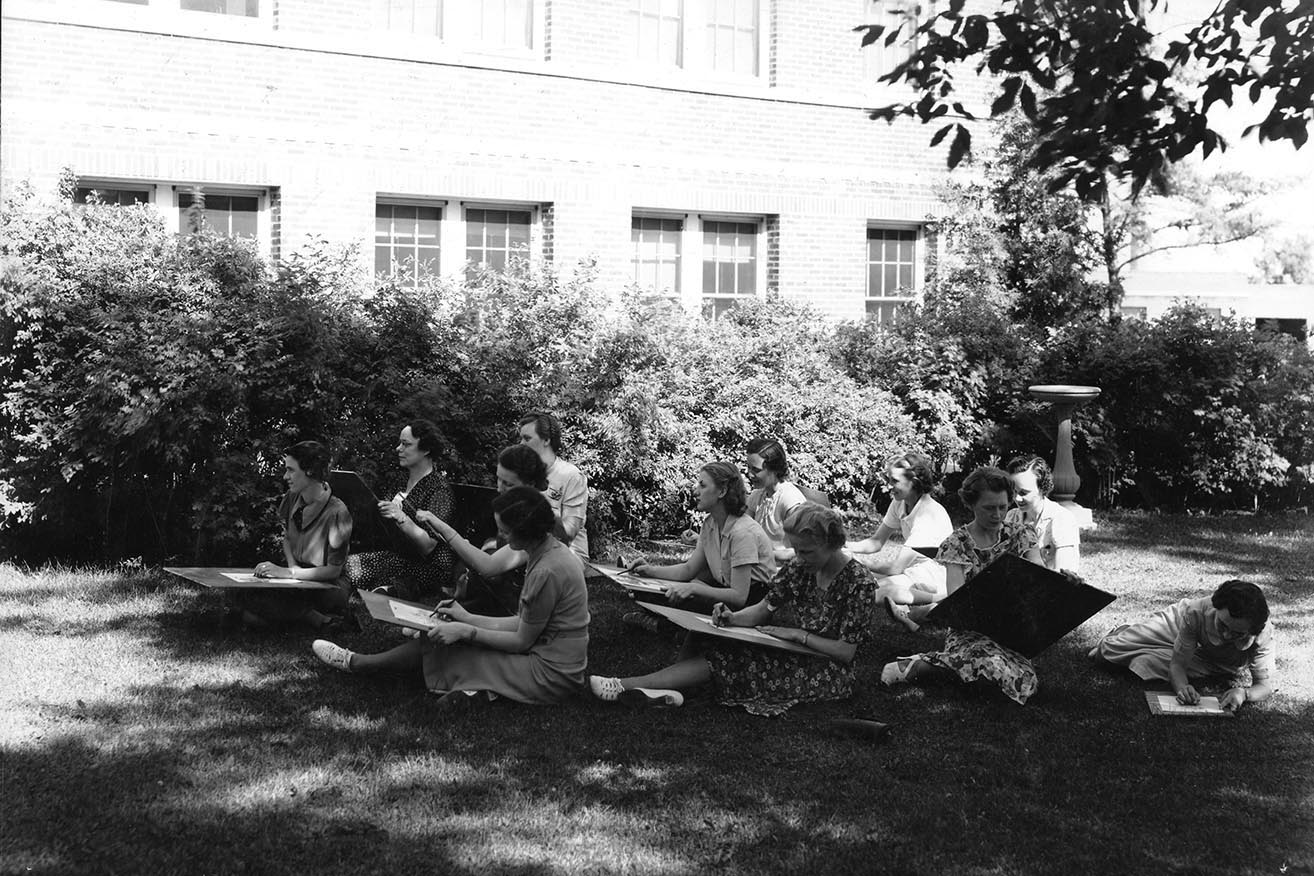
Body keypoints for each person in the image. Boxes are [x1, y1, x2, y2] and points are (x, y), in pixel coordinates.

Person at [589, 503, 877, 715]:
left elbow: (845, 652)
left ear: (833, 544)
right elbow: (764, 608)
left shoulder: (858, 583)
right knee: (707, 635)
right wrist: (732, 618)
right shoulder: (801, 568)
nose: (799, 558)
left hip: (828, 671)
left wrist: (796, 635)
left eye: (807, 551)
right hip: (793, 651)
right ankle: (661, 689)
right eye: (797, 550)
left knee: (732, 661)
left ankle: (624, 686)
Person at [312, 486, 590, 706]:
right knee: (449, 641)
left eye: (504, 531)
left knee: (451, 650)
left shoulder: (547, 570)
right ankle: (476, 692)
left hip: (551, 674)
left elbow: (521, 640)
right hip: (551, 658)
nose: (501, 537)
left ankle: (358, 664)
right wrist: (466, 618)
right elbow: (524, 623)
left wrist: (466, 631)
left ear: (525, 533)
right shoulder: (547, 552)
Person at [880, 466, 1047, 705]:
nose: (998, 514)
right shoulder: (957, 543)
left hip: (1011, 632)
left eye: (1003, 506)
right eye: (989, 508)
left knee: (1025, 682)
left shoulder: (1023, 534)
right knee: (989, 665)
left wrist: (1065, 581)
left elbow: (1039, 574)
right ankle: (921, 666)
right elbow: (959, 603)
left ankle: (947, 668)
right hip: (970, 631)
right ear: (971, 505)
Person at [624, 461, 776, 631]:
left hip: (752, 605)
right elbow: (689, 569)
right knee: (657, 592)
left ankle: (664, 625)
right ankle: (664, 621)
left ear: (722, 491)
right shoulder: (710, 523)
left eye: (702, 486)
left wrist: (694, 588)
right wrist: (650, 571)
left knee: (688, 597)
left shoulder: (742, 532)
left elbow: (739, 596)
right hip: (726, 591)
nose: (695, 491)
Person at [1090, 580, 1276, 711]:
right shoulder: (1195, 611)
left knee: (1147, 662)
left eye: (1238, 633)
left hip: (1212, 662)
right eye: (1223, 625)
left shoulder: (1262, 631)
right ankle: (1123, 631)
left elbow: (1265, 685)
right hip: (1175, 625)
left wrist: (1244, 693)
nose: (1227, 635)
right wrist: (1182, 688)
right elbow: (1178, 665)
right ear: (1215, 608)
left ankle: (1137, 643)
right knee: (1106, 654)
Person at [416, 444, 551, 615]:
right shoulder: (516, 509)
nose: (499, 488)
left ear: (530, 484)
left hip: (522, 613)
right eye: (499, 479)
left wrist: (443, 527)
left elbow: (489, 567)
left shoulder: (536, 520)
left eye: (508, 484)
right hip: (500, 599)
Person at [236, 440, 354, 630]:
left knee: (252, 612)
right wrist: (291, 568)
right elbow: (287, 538)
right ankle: (314, 618)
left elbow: (333, 571)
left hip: (328, 586)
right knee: (247, 601)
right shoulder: (292, 497)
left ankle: (316, 617)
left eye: (291, 470)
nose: (285, 476)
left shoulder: (338, 512)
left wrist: (290, 574)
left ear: (310, 471)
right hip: (298, 578)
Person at [344, 420, 457, 600]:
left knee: (364, 573)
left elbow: (428, 546)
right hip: (399, 557)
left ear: (426, 449)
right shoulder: (400, 482)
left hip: (427, 567)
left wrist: (401, 517)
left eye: (406, 444)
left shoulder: (439, 490)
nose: (398, 448)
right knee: (347, 565)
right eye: (400, 443)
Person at [845, 452, 952, 607]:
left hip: (932, 576)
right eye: (888, 479)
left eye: (894, 481)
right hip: (913, 569)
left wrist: (855, 560)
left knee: (869, 589)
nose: (889, 485)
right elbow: (876, 542)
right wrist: (846, 545)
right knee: (858, 580)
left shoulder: (928, 514)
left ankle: (938, 600)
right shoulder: (899, 503)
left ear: (913, 482)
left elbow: (895, 567)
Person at [519, 412, 589, 561]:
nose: (521, 445)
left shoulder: (571, 476)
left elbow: (568, 534)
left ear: (546, 440)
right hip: (528, 546)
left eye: (527, 439)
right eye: (520, 439)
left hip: (569, 555)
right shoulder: (521, 474)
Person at [1004, 455, 1080, 573]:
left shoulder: (1062, 518)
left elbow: (1063, 573)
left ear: (1042, 487)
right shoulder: (1011, 517)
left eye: (1024, 493)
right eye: (1014, 491)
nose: (1017, 498)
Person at [744, 437, 807, 562]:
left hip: (783, 572)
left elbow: (805, 549)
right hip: (759, 569)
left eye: (756, 470)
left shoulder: (790, 500)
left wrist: (764, 555)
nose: (749, 474)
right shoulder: (756, 496)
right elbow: (741, 532)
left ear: (774, 469)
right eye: (749, 468)